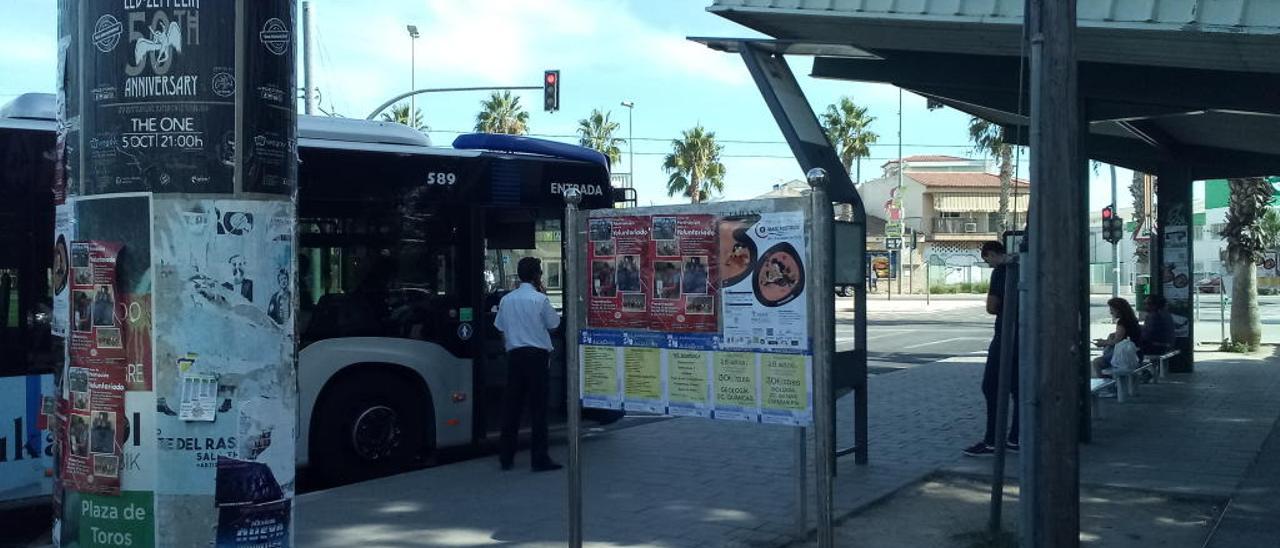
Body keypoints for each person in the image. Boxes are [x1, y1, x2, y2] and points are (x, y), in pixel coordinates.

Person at [494, 257, 563, 472]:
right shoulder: (539, 299)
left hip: (515, 357)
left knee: (512, 408)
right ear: (536, 275)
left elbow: (500, 328)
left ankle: (506, 457)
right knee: (538, 410)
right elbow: (554, 325)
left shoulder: (507, 299)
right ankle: (539, 458)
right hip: (537, 358)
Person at [963, 241, 1020, 457]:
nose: (987, 263)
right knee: (1017, 388)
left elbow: (992, 307)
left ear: (993, 254)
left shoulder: (1000, 272)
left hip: (1005, 336)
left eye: (986, 258)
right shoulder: (1024, 267)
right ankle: (1016, 438)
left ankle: (992, 441)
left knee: (992, 387)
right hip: (1025, 336)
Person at [1092, 297, 1143, 378]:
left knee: (1097, 362)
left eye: (1112, 309)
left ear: (1118, 310)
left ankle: (1109, 384)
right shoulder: (1132, 320)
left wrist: (1103, 343)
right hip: (1136, 353)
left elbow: (1117, 341)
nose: (1110, 312)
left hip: (1126, 355)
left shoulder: (1122, 322)